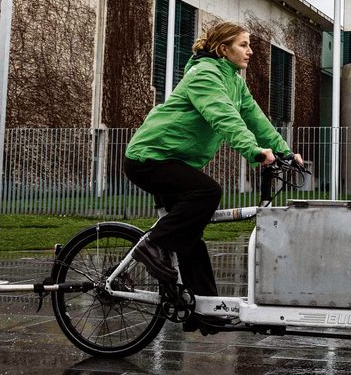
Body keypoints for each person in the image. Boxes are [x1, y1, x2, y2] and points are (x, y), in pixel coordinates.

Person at [123, 20, 302, 328]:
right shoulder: (204, 74)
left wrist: (284, 152)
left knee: (190, 235)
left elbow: (256, 120)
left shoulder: (235, 81)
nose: (250, 51)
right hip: (150, 157)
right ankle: (151, 246)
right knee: (207, 193)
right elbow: (224, 116)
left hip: (175, 161)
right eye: (243, 45)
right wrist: (253, 151)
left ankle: (205, 311)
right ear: (223, 49)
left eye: (249, 45)